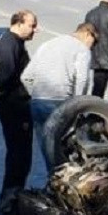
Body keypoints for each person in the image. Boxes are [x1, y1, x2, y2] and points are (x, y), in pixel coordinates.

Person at [21, 22, 97, 171]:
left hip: (37, 103)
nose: (93, 47)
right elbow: (82, 79)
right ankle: (65, 183)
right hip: (59, 103)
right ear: (87, 34)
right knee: (65, 148)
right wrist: (77, 105)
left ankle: (52, 182)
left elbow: (26, 76)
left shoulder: (47, 44)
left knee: (47, 148)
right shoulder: (82, 49)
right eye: (94, 42)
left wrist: (35, 93)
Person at [0, 10, 38, 202]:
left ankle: (14, 195)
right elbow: (6, 74)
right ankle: (10, 198)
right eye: (32, 25)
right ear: (18, 23)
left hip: (15, 104)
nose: (35, 29)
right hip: (14, 107)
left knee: (20, 154)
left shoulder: (14, 42)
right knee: (19, 155)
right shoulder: (9, 44)